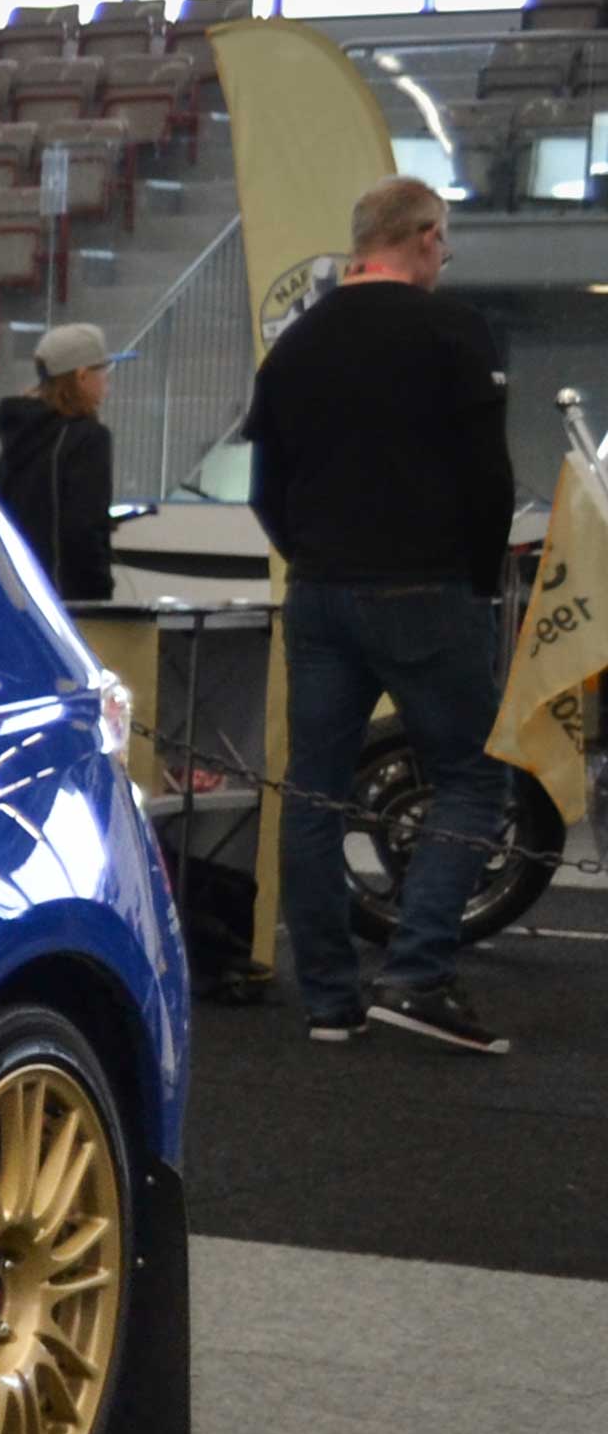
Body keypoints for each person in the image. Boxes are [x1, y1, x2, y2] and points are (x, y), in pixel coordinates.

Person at [248, 174, 523, 1057]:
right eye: (444, 240)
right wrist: (479, 582)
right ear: (424, 234)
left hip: (319, 592)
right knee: (476, 780)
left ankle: (330, 1002)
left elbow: (266, 491)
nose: (446, 255)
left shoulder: (295, 344)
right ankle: (418, 970)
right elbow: (490, 480)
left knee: (314, 793)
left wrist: (314, 558)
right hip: (425, 590)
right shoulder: (453, 330)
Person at [0, 321, 118, 604]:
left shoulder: (18, 431)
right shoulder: (88, 438)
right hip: (68, 602)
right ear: (82, 376)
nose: (107, 382)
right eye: (103, 371)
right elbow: (83, 530)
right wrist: (99, 594)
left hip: (15, 596)